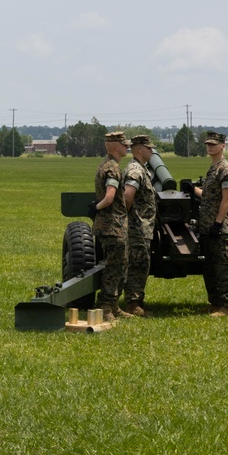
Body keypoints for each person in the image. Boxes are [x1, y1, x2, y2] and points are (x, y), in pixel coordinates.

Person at [90, 131, 133, 322]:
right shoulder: (113, 169)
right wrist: (96, 208)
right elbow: (109, 197)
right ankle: (106, 307)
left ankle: (114, 306)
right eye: (124, 145)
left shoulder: (106, 165)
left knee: (120, 266)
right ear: (115, 146)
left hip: (111, 225)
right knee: (114, 267)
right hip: (112, 226)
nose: (127, 148)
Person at [194, 131, 228, 316]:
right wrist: (193, 189)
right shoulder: (213, 168)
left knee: (223, 266)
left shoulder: (225, 169)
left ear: (222, 146)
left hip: (219, 226)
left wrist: (218, 224)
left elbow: (227, 200)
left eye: (214, 144)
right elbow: (209, 196)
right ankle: (216, 303)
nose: (210, 147)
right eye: (208, 144)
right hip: (207, 225)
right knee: (210, 266)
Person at [122, 135, 158, 316]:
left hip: (142, 227)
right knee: (137, 265)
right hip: (137, 228)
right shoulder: (135, 170)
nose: (151, 151)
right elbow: (128, 196)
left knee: (141, 264)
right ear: (138, 150)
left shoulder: (141, 169)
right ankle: (133, 304)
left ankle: (136, 302)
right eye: (148, 148)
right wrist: (128, 220)